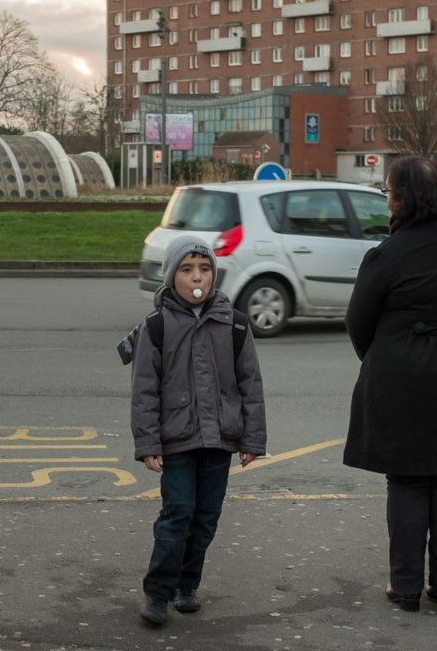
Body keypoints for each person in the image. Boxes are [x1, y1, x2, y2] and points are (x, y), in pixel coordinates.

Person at [344, 156, 437, 615]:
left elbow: (357, 323)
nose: (387, 198)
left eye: (391, 190)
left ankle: (406, 587)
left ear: (405, 199)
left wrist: (390, 355)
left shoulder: (387, 254)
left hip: (402, 376)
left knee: (408, 481)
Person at [129, 236, 267, 627]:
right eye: (187, 269)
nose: (197, 277)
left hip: (218, 440)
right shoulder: (156, 327)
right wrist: (147, 443)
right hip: (175, 441)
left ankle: (187, 585)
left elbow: (250, 383)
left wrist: (252, 438)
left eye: (204, 269)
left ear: (214, 274)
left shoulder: (234, 323)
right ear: (172, 275)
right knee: (177, 515)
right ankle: (158, 592)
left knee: (205, 518)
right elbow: (144, 390)